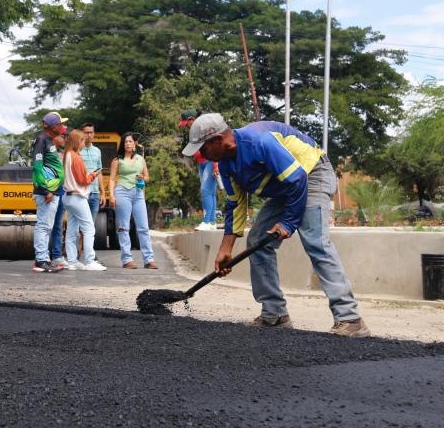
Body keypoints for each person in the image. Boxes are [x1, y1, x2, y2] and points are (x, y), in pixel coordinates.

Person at [182, 113, 369, 337]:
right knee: (258, 240)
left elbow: (298, 179)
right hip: (285, 186)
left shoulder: (260, 141)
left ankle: (350, 318)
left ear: (218, 140)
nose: (200, 155)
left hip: (311, 174)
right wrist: (225, 249)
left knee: (314, 240)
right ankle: (275, 314)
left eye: (202, 149)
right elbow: (235, 206)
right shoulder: (225, 164)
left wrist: (288, 223)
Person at [108, 132, 157, 269]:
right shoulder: (117, 160)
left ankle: (149, 259)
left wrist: (143, 177)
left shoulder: (141, 159)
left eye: (130, 141)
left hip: (138, 193)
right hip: (122, 191)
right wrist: (111, 195)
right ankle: (127, 259)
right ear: (122, 145)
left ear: (134, 144)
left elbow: (147, 177)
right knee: (124, 227)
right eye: (125, 142)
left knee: (143, 227)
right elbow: (112, 179)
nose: (128, 144)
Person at [63, 129, 107, 271]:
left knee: (71, 230)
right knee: (89, 229)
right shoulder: (76, 157)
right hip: (78, 196)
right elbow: (82, 180)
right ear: (77, 141)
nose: (84, 143)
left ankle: (72, 261)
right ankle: (89, 261)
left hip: (68, 196)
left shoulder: (67, 155)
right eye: (82, 140)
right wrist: (93, 174)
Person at [32, 111, 68, 273]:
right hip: (46, 192)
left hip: (53, 192)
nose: (62, 127)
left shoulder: (49, 141)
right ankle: (41, 259)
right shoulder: (41, 140)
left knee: (48, 226)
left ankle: (45, 258)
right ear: (53, 127)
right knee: (43, 225)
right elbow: (37, 167)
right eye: (60, 124)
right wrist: (46, 189)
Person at [180, 109, 219, 231]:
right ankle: (212, 222)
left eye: (187, 123)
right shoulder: (194, 131)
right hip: (202, 163)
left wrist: (216, 166)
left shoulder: (204, 129)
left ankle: (206, 221)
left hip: (211, 161)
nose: (186, 126)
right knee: (210, 192)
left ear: (192, 119)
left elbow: (215, 147)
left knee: (206, 191)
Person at [50, 126, 68, 268]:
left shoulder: (63, 155)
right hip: (50, 193)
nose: (65, 139)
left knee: (57, 225)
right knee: (46, 225)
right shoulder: (47, 153)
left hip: (61, 192)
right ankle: (42, 255)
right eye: (63, 136)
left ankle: (56, 255)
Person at [80, 123, 106, 222]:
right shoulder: (78, 150)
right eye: (86, 133)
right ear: (82, 134)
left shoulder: (97, 151)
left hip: (95, 193)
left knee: (91, 225)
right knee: (81, 225)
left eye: (91, 132)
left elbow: (99, 172)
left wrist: (102, 193)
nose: (89, 135)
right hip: (81, 192)